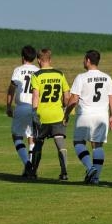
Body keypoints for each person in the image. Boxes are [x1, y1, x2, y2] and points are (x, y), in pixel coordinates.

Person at [63, 50, 112, 185]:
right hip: (102, 116)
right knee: (97, 145)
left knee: (78, 143)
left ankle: (90, 168)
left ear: (87, 60)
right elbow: (111, 97)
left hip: (85, 115)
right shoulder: (107, 77)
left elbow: (74, 98)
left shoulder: (81, 77)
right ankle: (95, 178)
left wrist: (66, 113)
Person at [30, 48, 71, 180]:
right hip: (57, 114)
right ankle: (64, 173)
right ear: (50, 59)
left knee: (38, 143)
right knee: (60, 143)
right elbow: (66, 95)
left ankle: (33, 172)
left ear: (38, 60)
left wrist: (34, 111)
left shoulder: (36, 76)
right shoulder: (59, 74)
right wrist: (65, 107)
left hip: (42, 115)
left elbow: (36, 95)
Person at [6, 45, 39, 178]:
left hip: (21, 107)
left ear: (22, 57)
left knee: (17, 136)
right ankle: (31, 167)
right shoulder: (38, 71)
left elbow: (11, 89)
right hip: (34, 107)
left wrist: (8, 105)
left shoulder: (18, 70)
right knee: (32, 138)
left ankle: (27, 164)